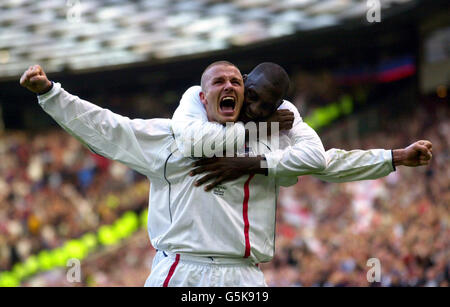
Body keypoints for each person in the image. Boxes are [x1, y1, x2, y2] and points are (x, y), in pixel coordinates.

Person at [20, 63, 432, 287]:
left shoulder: (271, 138)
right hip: (182, 271)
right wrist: (51, 94)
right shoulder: (172, 136)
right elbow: (109, 128)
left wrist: (393, 157)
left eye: (238, 80)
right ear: (203, 97)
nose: (230, 86)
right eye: (219, 81)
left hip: (245, 274)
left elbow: (328, 162)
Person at [171, 62, 433, 190]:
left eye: (265, 105)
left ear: (278, 105)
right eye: (251, 96)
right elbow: (193, 142)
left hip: (245, 264)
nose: (254, 108)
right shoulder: (201, 99)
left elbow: (320, 160)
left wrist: (395, 157)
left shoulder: (284, 117)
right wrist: (261, 129)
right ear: (245, 83)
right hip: (188, 259)